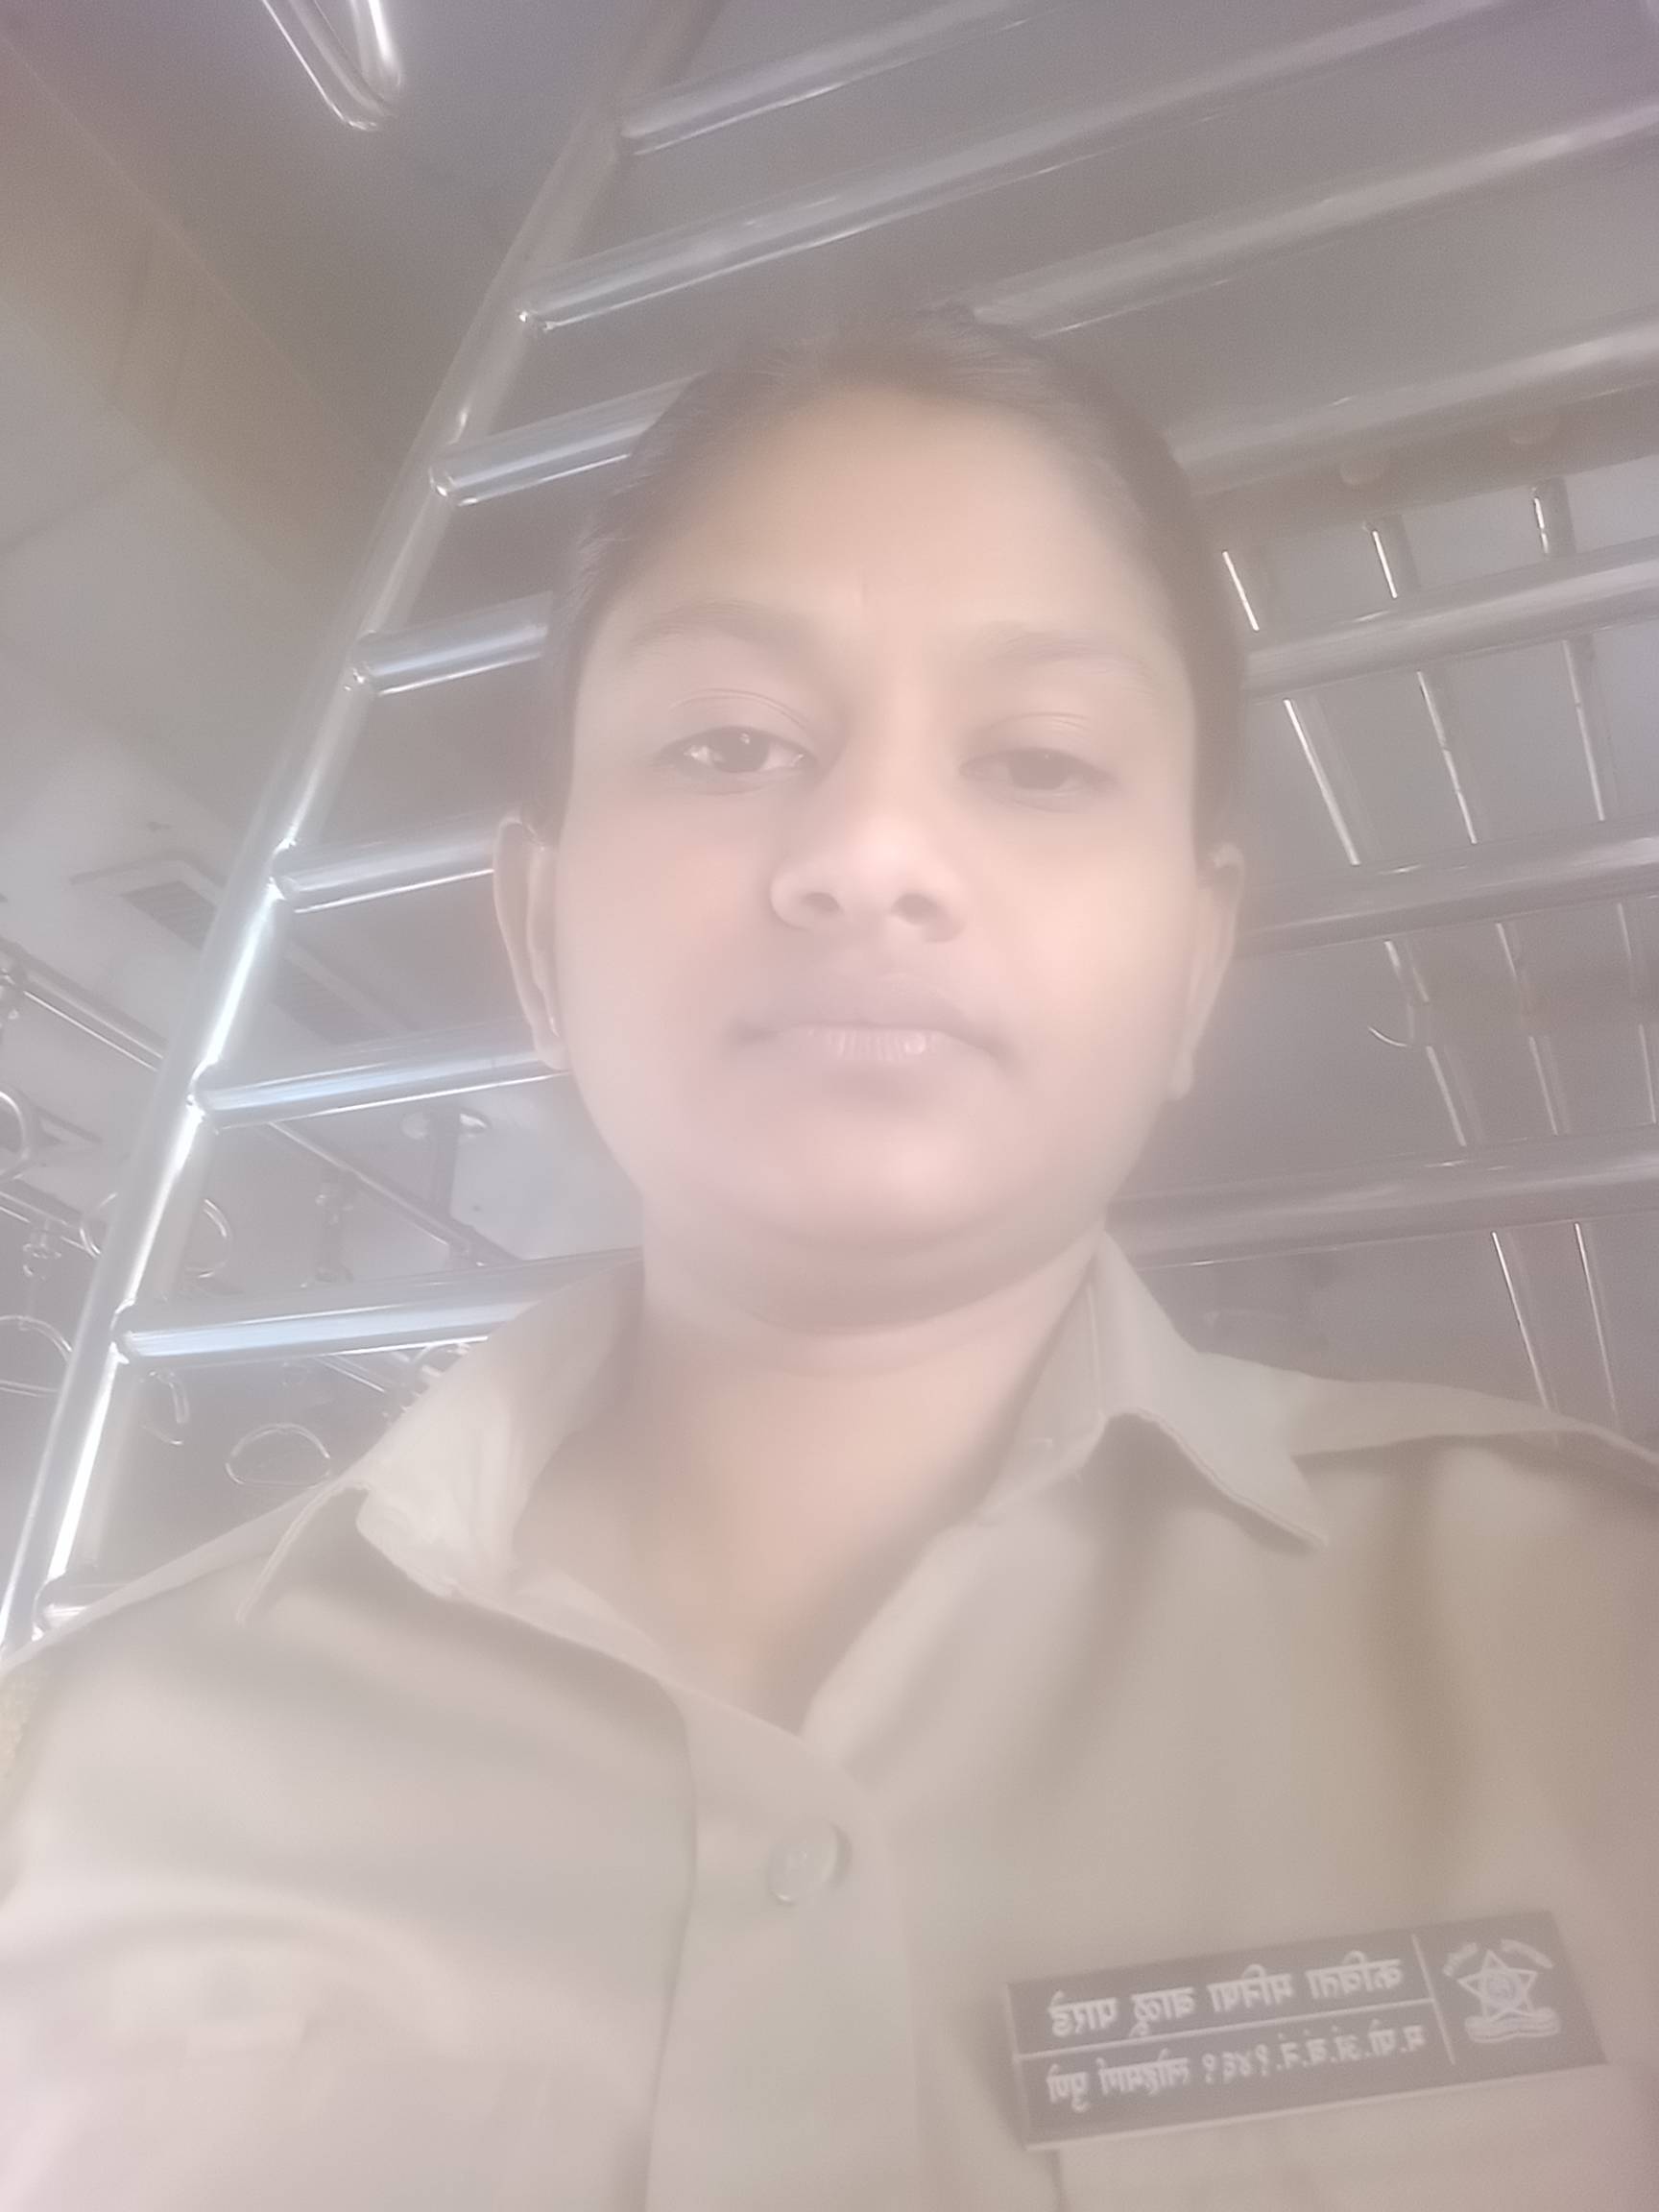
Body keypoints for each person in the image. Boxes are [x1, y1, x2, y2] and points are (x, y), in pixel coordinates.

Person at [1, 311, 1656, 2210]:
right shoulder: (70, 1782)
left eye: (1037, 762)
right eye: (729, 743)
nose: (870, 850)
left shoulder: (1590, 1644)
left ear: (1195, 964)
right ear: (538, 937)